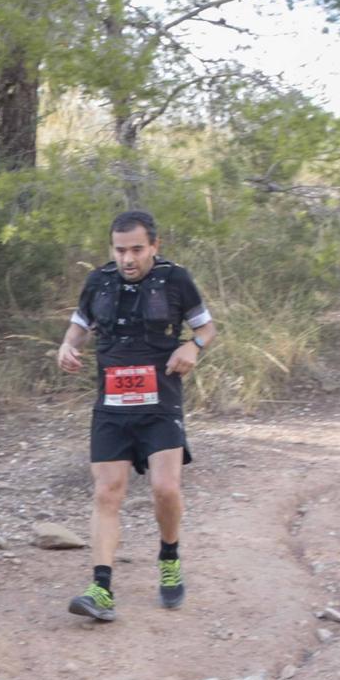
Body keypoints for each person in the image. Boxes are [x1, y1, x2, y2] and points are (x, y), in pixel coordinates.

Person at [55, 210, 216, 621]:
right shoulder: (98, 282)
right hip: (112, 406)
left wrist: (192, 347)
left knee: (165, 488)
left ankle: (169, 557)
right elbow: (79, 326)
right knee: (107, 492)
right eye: (120, 249)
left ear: (154, 246)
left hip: (160, 402)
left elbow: (207, 328)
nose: (128, 258)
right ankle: (101, 587)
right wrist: (67, 347)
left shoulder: (176, 280)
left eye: (137, 250)